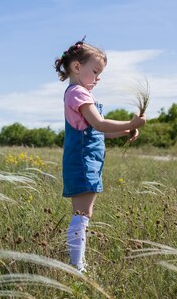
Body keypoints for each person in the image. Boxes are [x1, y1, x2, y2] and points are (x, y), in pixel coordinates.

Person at [54, 38, 146, 273]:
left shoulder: (77, 93)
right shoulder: (78, 94)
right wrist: (130, 121)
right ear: (77, 67)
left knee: (84, 212)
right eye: (95, 71)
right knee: (82, 214)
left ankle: (77, 263)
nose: (98, 78)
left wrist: (124, 131)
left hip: (86, 161)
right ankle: (78, 266)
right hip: (83, 163)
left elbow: (96, 132)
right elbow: (100, 123)